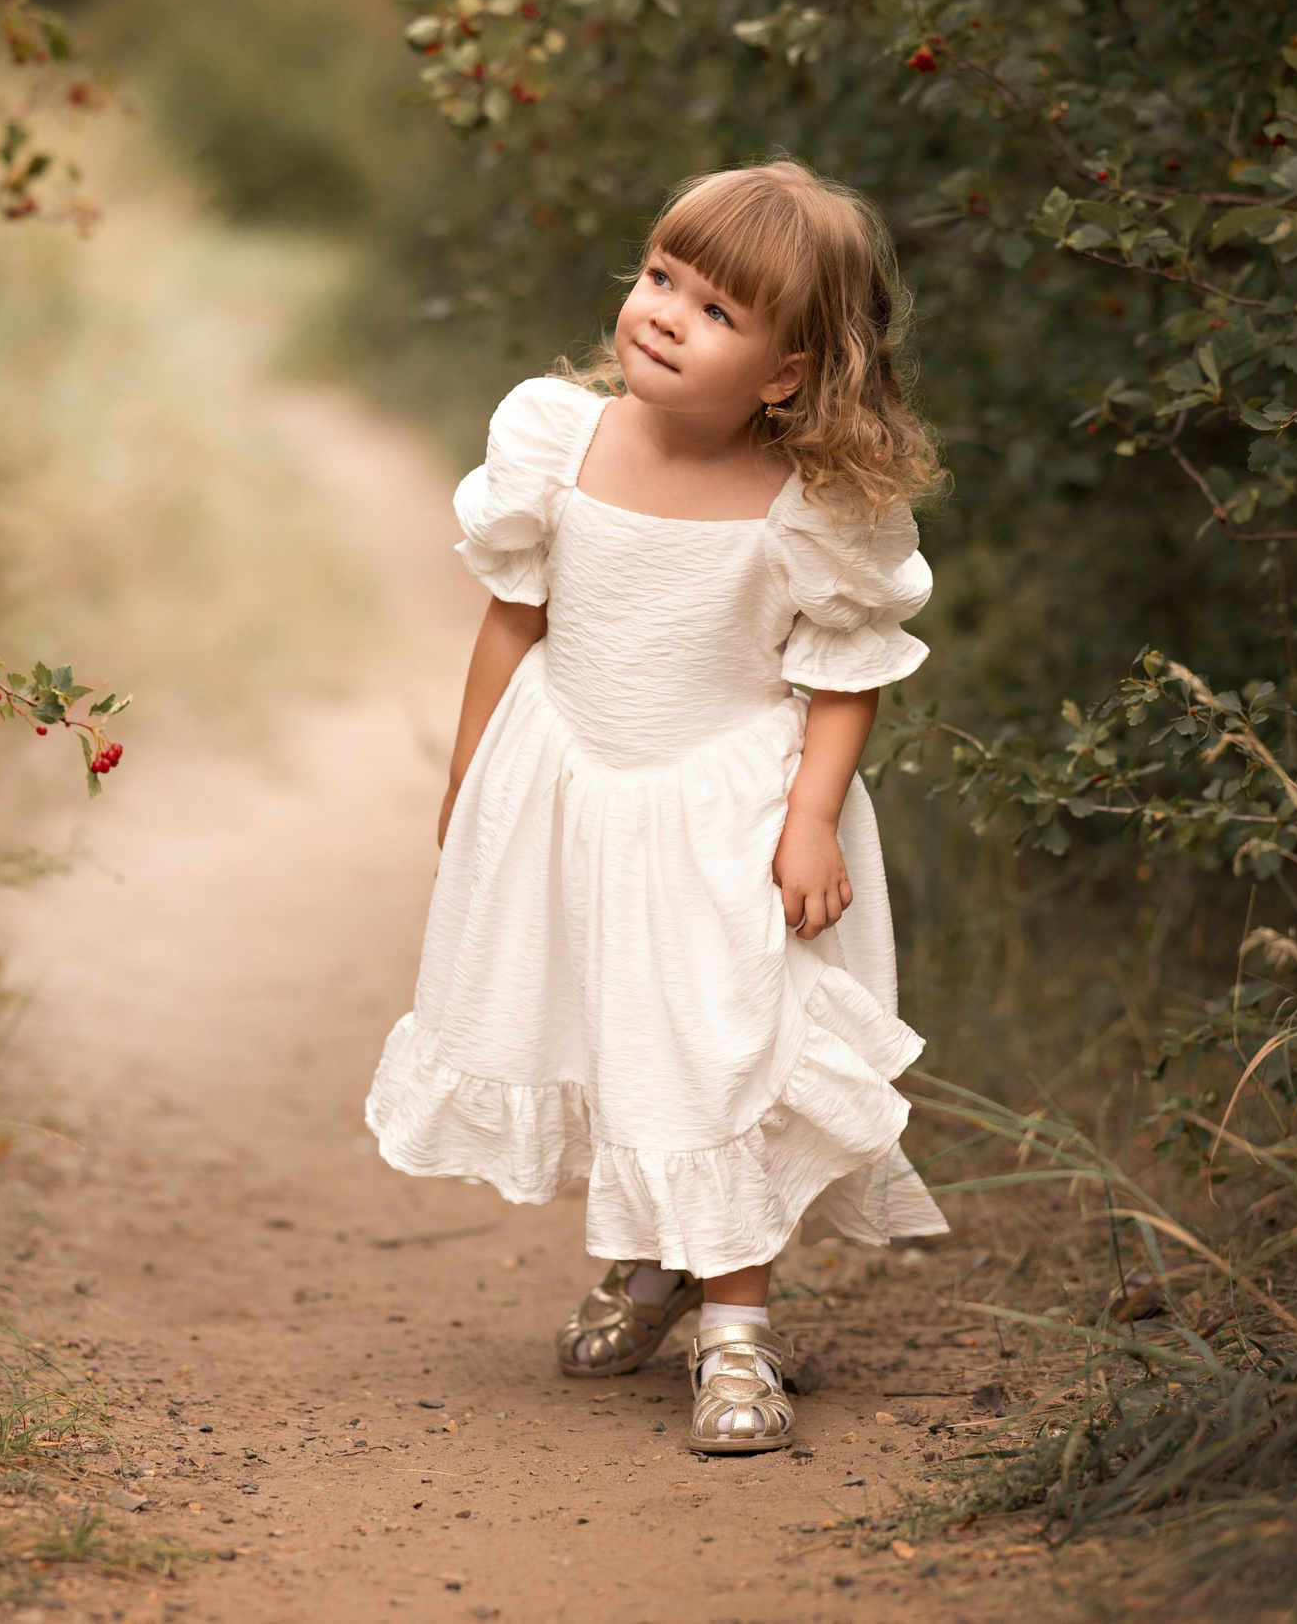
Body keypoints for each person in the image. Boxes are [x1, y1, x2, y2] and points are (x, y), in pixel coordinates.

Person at [364, 160, 949, 1455]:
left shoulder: (810, 510)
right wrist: (470, 779)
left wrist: (810, 819)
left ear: (786, 375)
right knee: (616, 1030)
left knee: (715, 1046)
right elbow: (513, 620)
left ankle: (736, 1330)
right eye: (661, 277)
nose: (665, 315)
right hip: (573, 783)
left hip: (722, 808)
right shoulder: (557, 442)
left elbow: (843, 673)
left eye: (717, 311)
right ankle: (656, 1266)